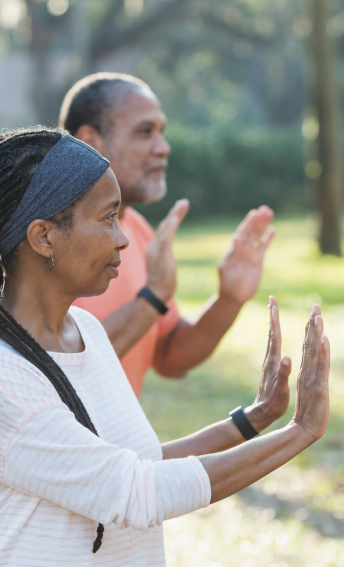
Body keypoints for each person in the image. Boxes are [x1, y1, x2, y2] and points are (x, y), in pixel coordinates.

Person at [0, 126, 329, 567]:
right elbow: (133, 493)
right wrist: (299, 431)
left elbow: (140, 465)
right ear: (43, 237)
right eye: (107, 217)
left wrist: (254, 419)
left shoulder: (88, 333)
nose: (123, 238)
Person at [59, 73, 275, 397]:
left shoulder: (137, 229)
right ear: (90, 141)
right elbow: (50, 371)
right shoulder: (44, 237)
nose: (163, 148)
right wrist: (153, 296)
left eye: (162, 132)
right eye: (145, 132)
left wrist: (228, 300)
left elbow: (170, 357)